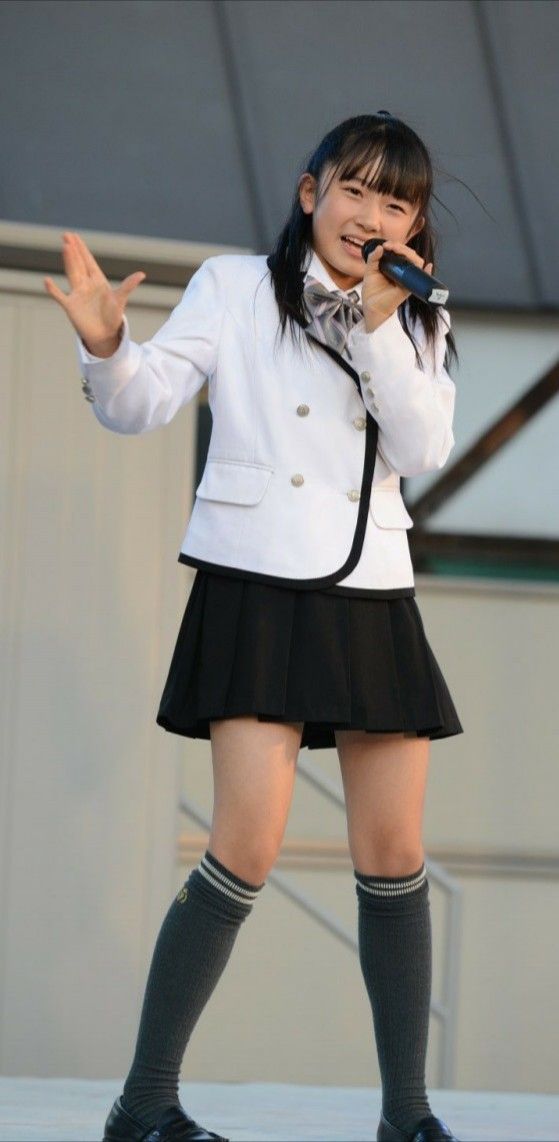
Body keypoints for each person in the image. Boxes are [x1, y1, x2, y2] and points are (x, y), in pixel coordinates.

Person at [45, 112, 463, 1142]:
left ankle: (406, 1116)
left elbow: (420, 448)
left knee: (395, 849)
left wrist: (380, 325)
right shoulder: (234, 288)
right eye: (353, 189)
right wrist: (107, 344)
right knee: (244, 843)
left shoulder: (415, 319)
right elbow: (140, 404)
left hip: (369, 585)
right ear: (309, 192)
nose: (371, 215)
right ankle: (144, 1103)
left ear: (413, 224)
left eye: (395, 201)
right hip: (257, 586)